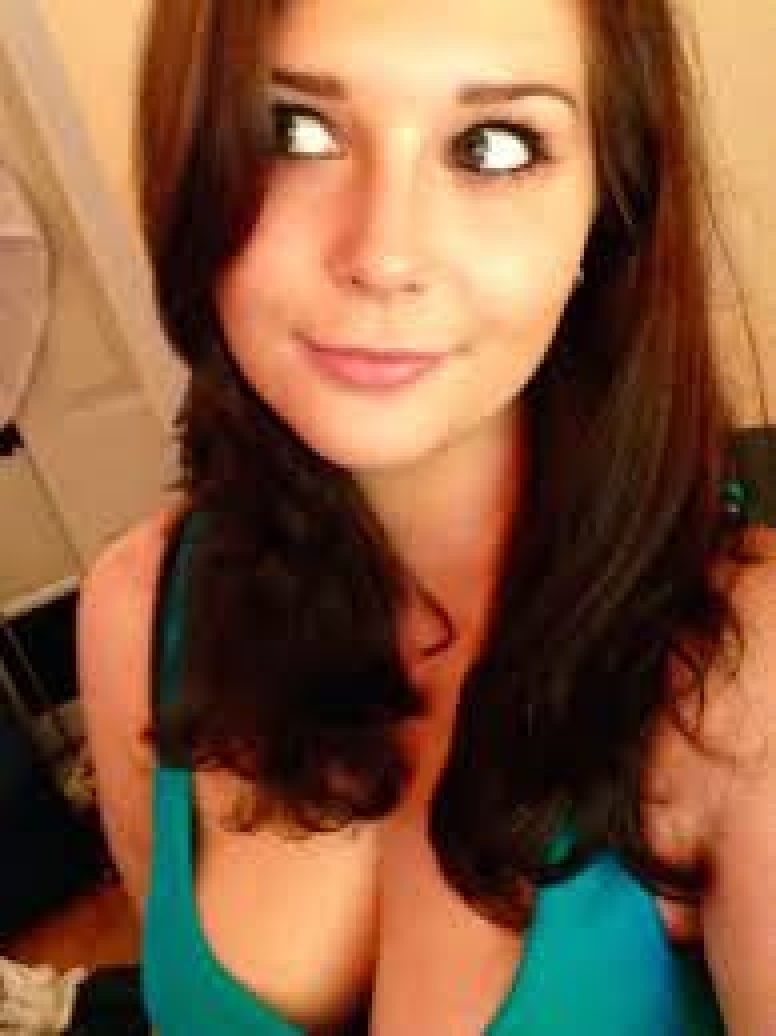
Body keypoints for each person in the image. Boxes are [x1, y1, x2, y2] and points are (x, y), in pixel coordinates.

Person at [77, 0, 776, 1033]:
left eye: (492, 146)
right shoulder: (136, 615)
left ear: (608, 207)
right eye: (292, 130)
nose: (383, 255)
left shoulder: (743, 676)